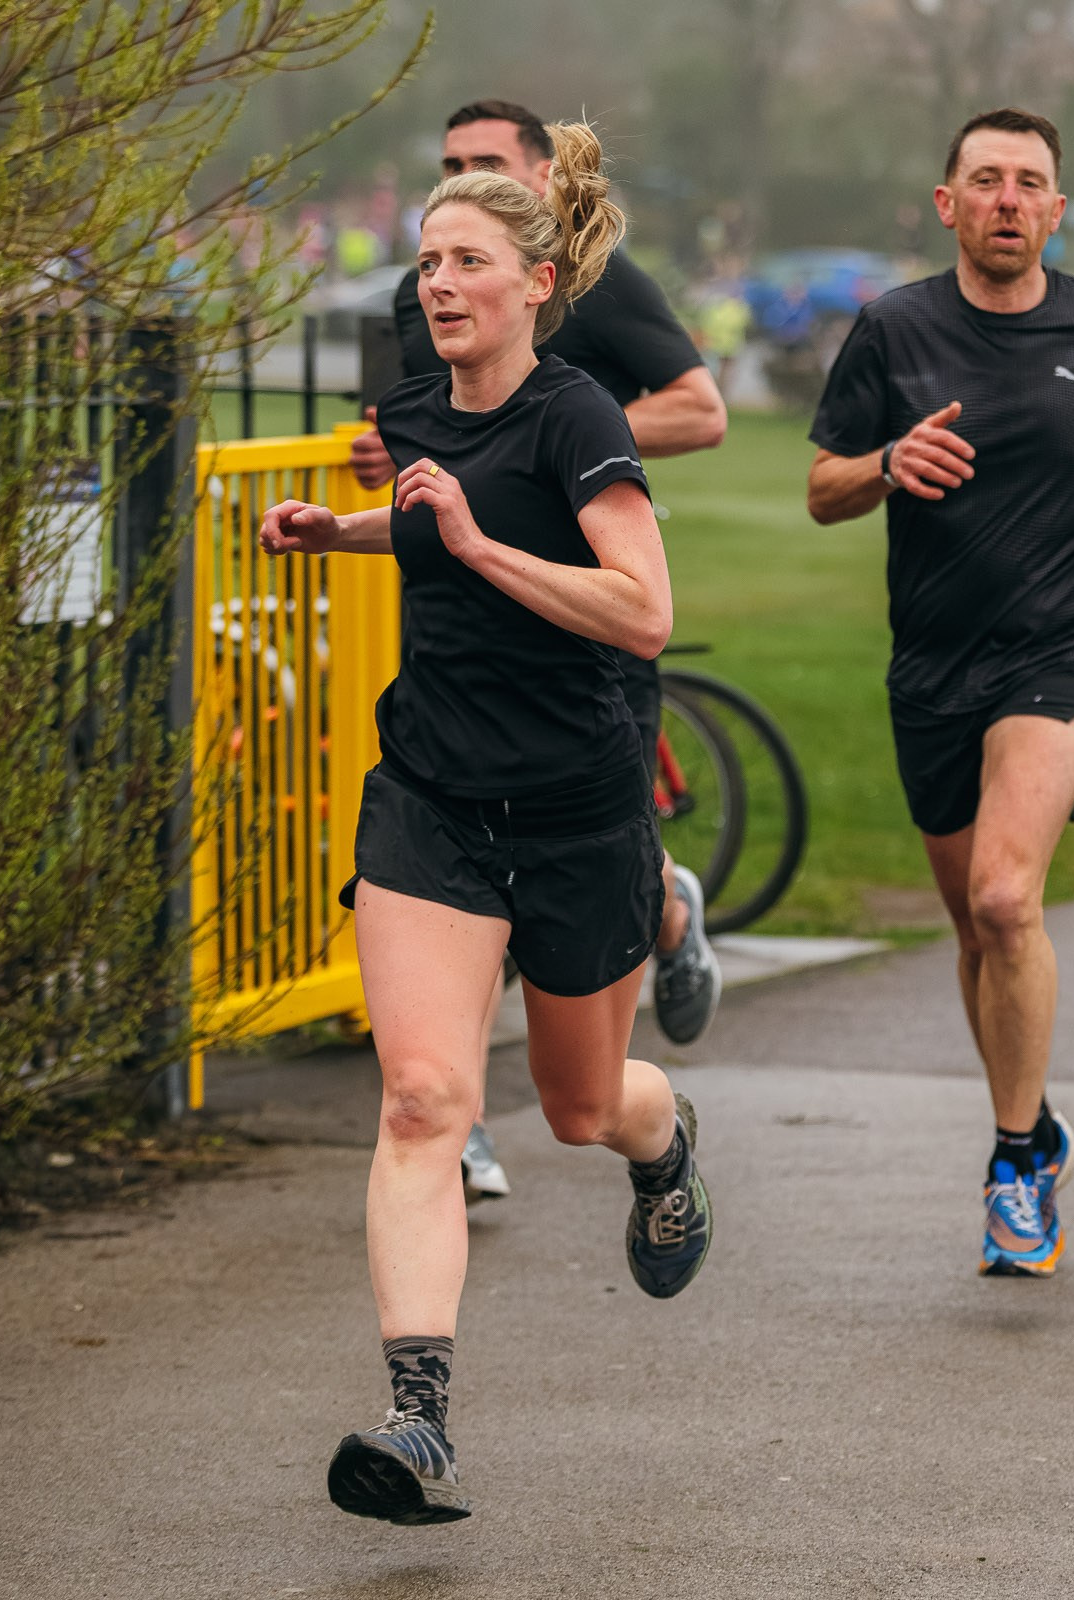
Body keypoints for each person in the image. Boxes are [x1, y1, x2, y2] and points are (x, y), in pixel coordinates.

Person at [258, 130, 714, 1522]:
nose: (439, 282)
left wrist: (471, 546)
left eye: (468, 263)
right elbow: (430, 513)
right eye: (429, 260)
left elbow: (645, 611)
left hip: (580, 812)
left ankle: (667, 1142)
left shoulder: (581, 417)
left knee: (583, 1107)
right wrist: (337, 532)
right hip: (434, 801)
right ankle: (420, 1420)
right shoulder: (416, 410)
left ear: (536, 281)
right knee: (423, 1102)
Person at [805, 108, 1074, 1278]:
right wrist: (885, 464)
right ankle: (1037, 1117)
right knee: (972, 923)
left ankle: (1015, 1159)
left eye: (1029, 183)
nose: (1008, 199)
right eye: (986, 181)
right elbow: (822, 485)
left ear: (1056, 210)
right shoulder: (892, 329)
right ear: (947, 204)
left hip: (1060, 646)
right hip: (930, 661)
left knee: (1007, 899)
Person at [348, 101, 730, 1204]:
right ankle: (448, 1117)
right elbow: (429, 469)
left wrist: (567, 443)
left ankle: (664, 908)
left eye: (483, 169)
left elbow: (699, 414)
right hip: (451, 731)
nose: (440, 275)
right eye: (446, 166)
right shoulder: (419, 310)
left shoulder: (602, 309)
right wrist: (369, 506)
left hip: (589, 669)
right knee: (427, 1074)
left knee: (580, 1099)